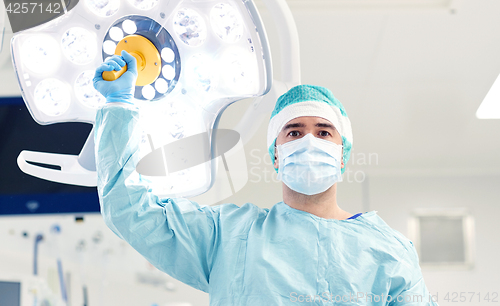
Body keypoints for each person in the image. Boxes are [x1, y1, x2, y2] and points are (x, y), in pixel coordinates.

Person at [93, 51, 438, 305]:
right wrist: (119, 107)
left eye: (323, 132)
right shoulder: (226, 236)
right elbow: (128, 209)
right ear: (276, 154)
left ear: (343, 153)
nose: (308, 141)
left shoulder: (388, 252)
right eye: (293, 132)